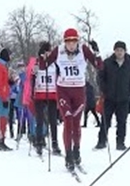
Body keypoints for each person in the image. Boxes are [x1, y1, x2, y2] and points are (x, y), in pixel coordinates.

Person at [39, 28, 102, 172]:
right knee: (68, 121)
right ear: (64, 42)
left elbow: (99, 66)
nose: (71, 45)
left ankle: (76, 150)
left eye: (74, 42)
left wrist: (96, 53)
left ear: (77, 41)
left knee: (76, 123)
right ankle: (68, 155)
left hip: (79, 91)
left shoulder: (83, 50)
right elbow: (44, 66)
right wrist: (41, 54)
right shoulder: (59, 50)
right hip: (63, 91)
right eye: (68, 42)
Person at [96, 41, 130, 150]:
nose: (119, 52)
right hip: (109, 98)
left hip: (124, 98)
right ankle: (102, 141)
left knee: (122, 122)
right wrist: (104, 89)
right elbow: (100, 77)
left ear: (125, 51)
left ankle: (120, 142)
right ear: (114, 51)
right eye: (117, 50)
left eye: (121, 50)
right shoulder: (107, 63)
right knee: (105, 121)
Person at [31, 42, 61, 156]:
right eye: (48, 51)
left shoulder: (55, 63)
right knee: (39, 120)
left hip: (52, 94)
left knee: (53, 120)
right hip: (39, 94)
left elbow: (60, 75)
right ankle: (39, 141)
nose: (49, 53)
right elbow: (32, 77)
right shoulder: (37, 63)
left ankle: (54, 142)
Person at [0, 48, 12, 151]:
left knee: (4, 118)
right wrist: (4, 98)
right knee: (2, 118)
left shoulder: (1, 66)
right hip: (1, 96)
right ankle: (0, 140)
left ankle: (1, 139)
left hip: (3, 95)